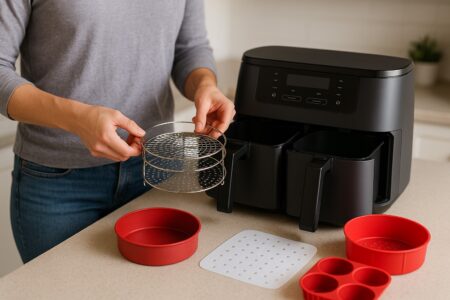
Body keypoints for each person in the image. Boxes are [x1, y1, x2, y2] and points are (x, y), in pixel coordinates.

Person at [0, 0, 235, 263]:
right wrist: (78, 119)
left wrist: (204, 85)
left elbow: (189, 48)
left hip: (156, 172)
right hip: (59, 185)